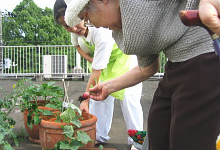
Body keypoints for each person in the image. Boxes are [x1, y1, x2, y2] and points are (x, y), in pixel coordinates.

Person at [63, 0, 220, 150]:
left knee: (187, 140)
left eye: (87, 16)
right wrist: (109, 86)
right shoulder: (126, 29)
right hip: (175, 65)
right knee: (157, 128)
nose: (93, 24)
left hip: (207, 57)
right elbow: (147, 68)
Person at [53, 0, 144, 149]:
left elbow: (97, 71)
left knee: (129, 99)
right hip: (103, 64)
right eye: (67, 26)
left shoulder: (101, 31)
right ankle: (98, 135)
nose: (74, 28)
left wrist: (84, 100)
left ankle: (138, 143)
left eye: (77, 21)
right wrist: (90, 58)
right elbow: (77, 46)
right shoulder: (75, 31)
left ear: (82, 13)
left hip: (124, 59)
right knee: (98, 98)